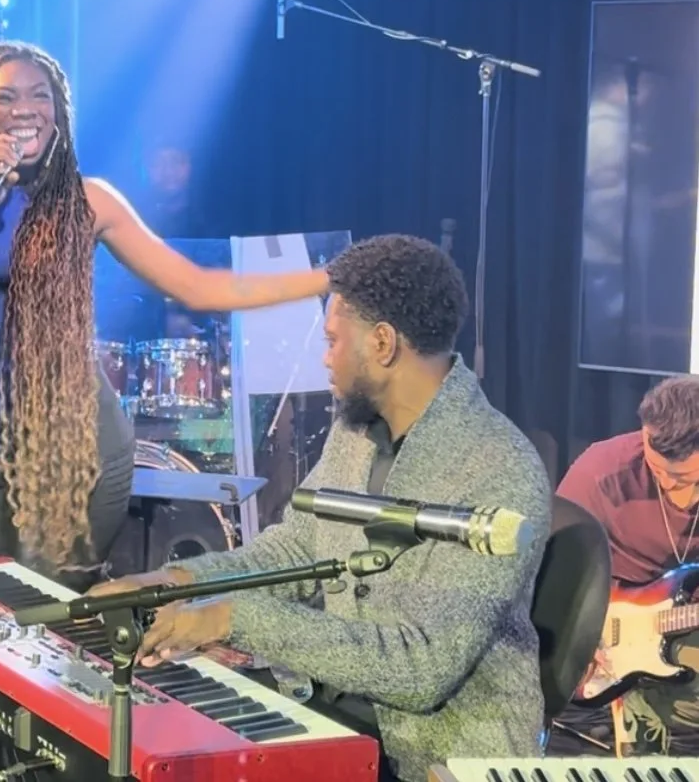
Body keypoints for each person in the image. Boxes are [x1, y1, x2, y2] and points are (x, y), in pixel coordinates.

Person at [0, 39, 328, 582]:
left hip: (72, 445)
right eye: (6, 96)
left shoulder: (89, 201)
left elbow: (199, 287)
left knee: (54, 613)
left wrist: (326, 277)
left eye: (40, 96)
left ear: (58, 113)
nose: (25, 109)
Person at [91, 234, 553, 782]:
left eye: (334, 340)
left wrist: (231, 618)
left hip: (437, 757)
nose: (325, 357)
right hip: (336, 716)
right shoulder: (356, 431)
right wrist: (174, 580)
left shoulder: (500, 468)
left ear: (383, 344)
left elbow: (421, 665)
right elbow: (294, 549)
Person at [555, 375, 699, 755]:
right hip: (608, 625)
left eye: (689, 478)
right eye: (659, 472)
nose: (673, 488)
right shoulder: (601, 470)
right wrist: (578, 637)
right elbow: (554, 566)